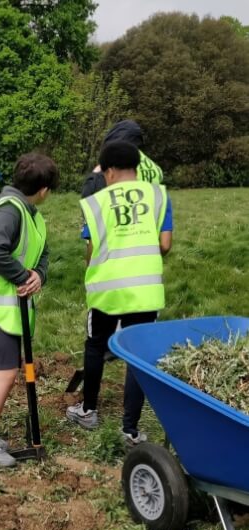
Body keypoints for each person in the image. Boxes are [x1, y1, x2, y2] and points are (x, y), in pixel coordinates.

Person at [66, 141, 172, 445]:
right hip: (145, 290)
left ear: (109, 171)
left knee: (96, 344)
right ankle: (130, 430)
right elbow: (165, 244)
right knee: (137, 355)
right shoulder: (157, 195)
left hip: (106, 287)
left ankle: (88, 410)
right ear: (136, 168)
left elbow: (90, 249)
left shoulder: (97, 202)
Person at [0, 153, 59, 467]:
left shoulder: (30, 213)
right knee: (5, 369)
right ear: (43, 190)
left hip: (3, 307)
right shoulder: (10, 210)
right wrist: (21, 276)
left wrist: (38, 276)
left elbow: (42, 253)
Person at [81, 119, 163, 198]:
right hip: (147, 209)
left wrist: (94, 175)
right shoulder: (156, 168)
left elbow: (91, 195)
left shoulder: (118, 163)